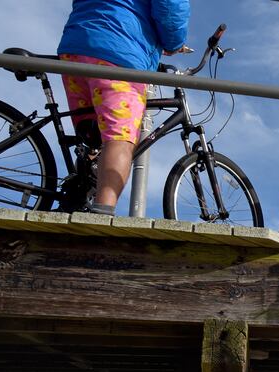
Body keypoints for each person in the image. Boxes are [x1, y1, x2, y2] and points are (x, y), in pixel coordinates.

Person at [57, 0, 191, 215]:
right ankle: (103, 211)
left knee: (93, 136)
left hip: (74, 48)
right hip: (118, 52)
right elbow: (170, 5)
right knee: (119, 138)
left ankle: (78, 197)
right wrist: (174, 43)